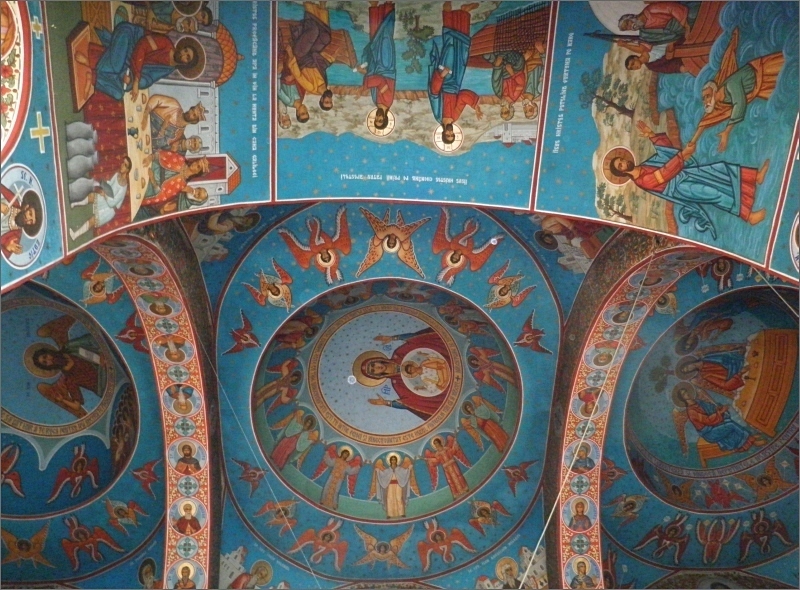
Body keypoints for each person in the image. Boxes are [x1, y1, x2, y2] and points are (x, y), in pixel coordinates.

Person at [606, 122, 769, 238]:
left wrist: (652, 136)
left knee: (719, 168)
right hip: (679, 187)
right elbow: (664, 173)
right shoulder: (641, 181)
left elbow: (666, 153)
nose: (624, 162)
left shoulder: (644, 165)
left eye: (621, 160)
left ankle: (756, 177)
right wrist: (683, 155)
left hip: (684, 174)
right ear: (621, 172)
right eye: (620, 165)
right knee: (713, 193)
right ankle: (749, 216)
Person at [690, 30, 785, 152]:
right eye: (704, 99)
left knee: (789, 68)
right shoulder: (720, 103)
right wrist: (692, 142)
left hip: (764, 70)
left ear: (715, 91)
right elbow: (706, 120)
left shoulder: (730, 85)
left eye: (707, 96)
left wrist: (727, 131)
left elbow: (739, 104)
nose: (705, 101)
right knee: (785, 91)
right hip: (761, 88)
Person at [76, 22, 200, 101]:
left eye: (187, 57)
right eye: (185, 50)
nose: (183, 54)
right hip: (128, 38)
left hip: (129, 63)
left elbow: (148, 79)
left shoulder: (168, 69)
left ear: (186, 64)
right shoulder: (166, 43)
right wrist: (135, 80)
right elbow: (142, 46)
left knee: (118, 94)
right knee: (116, 66)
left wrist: (129, 80)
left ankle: (93, 77)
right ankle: (89, 63)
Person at [355, 328, 453, 420]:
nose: (376, 368)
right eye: (373, 371)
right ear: (376, 375)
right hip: (446, 385)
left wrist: (392, 338)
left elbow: (415, 339)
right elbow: (409, 403)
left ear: (376, 360)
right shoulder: (397, 384)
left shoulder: (399, 353)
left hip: (446, 359)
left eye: (373, 365)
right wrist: (386, 403)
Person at [428, 2, 483, 144]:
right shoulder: (455, 117)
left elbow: (433, 94)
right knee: (462, 50)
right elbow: (463, 97)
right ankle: (464, 12)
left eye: (448, 135)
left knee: (450, 46)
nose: (450, 132)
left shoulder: (438, 115)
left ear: (443, 133)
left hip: (444, 79)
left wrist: (441, 76)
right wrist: (475, 106)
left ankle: (447, 13)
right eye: (452, 135)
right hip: (456, 80)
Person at [676, 386, 762, 453]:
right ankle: (751, 440)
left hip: (714, 426)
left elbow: (711, 408)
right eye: (684, 394)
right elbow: (707, 420)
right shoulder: (691, 411)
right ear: (682, 398)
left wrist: (718, 408)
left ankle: (743, 444)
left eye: (686, 391)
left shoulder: (699, 402)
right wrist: (720, 412)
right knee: (731, 425)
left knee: (727, 420)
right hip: (709, 433)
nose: (686, 394)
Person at [283, 2, 333, 109]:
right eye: (330, 102)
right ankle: (321, 8)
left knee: (313, 31)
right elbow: (319, 66)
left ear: (321, 100)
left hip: (300, 55)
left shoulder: (311, 88)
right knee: (326, 37)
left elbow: (298, 75)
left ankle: (309, 8)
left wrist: (290, 53)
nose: (329, 100)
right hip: (311, 54)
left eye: (326, 102)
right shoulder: (325, 84)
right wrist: (327, 60)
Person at [68, 157, 131, 241]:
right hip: (105, 198)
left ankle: (74, 235)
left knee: (92, 221)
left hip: (109, 210)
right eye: (123, 163)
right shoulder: (117, 175)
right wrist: (103, 186)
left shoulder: (123, 187)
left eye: (125, 165)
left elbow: (113, 203)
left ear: (127, 170)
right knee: (91, 196)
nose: (122, 165)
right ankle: (74, 204)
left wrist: (105, 195)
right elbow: (109, 185)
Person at [357, 2, 396, 130]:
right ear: (385, 118)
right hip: (386, 66)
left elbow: (373, 78)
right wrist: (364, 86)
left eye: (376, 119)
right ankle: (388, 6)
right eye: (380, 120)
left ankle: (374, 6)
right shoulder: (387, 101)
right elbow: (379, 81)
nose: (378, 117)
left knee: (374, 39)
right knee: (384, 36)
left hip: (376, 67)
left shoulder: (376, 101)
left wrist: (364, 72)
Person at [141, 151, 209, 216]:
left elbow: (162, 195)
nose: (194, 164)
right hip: (148, 165)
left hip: (148, 185)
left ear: (197, 173)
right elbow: (164, 155)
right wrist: (151, 157)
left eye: (198, 167)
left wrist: (152, 179)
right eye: (196, 162)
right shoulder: (181, 160)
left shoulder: (181, 185)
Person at [142, 94, 207, 151]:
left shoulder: (179, 133)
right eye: (192, 110)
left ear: (194, 121)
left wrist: (163, 128)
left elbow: (160, 143)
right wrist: (146, 113)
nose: (190, 113)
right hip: (141, 117)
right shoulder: (175, 105)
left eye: (194, 115)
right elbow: (156, 99)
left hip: (144, 137)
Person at [618, 2, 699, 47]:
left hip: (683, 18)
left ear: (631, 17)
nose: (630, 27)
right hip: (679, 31)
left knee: (694, 15)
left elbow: (672, 8)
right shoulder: (645, 32)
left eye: (627, 23)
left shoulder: (650, 9)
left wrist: (686, 26)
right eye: (627, 28)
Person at [1, 187, 42, 257]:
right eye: (30, 214)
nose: (28, 220)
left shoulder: (16, 236)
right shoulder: (12, 199)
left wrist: (7, 248)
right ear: (26, 207)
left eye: (31, 221)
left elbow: (4, 256)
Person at [372, 454, 416, 518]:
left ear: (396, 461)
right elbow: (383, 474)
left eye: (394, 459)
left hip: (398, 485)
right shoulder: (388, 470)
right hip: (390, 486)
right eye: (392, 460)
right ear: (390, 461)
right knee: (389, 498)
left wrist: (409, 469)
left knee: (399, 498)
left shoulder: (400, 469)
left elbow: (405, 472)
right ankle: (389, 514)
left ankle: (402, 513)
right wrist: (378, 471)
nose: (393, 461)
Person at [488, 51, 526, 120]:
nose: (503, 110)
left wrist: (497, 65)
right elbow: (521, 83)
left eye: (502, 112)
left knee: (487, 56)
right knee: (518, 61)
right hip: (513, 70)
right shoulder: (514, 96)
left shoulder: (499, 93)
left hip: (501, 70)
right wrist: (511, 73)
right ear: (510, 109)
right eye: (505, 112)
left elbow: (495, 80)